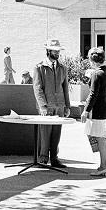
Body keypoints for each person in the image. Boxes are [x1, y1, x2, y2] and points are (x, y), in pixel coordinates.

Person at [31, 39, 71, 168]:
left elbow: (65, 88)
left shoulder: (63, 68)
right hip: (46, 106)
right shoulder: (39, 67)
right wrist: (43, 106)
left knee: (56, 133)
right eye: (55, 50)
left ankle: (54, 158)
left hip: (59, 105)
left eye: (58, 50)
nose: (57, 53)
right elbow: (37, 88)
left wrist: (67, 106)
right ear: (48, 51)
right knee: (45, 133)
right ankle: (42, 159)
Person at [81, 46, 106, 177]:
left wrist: (85, 110)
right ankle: (103, 166)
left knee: (100, 138)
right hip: (104, 108)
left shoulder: (96, 73)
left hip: (98, 110)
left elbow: (93, 94)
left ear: (92, 60)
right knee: (101, 137)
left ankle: (103, 166)